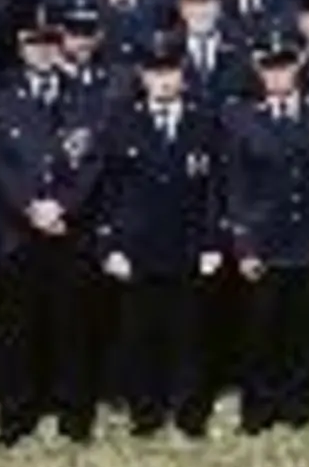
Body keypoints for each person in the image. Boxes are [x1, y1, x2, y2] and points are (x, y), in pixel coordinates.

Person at [81, 30, 227, 438]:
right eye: (155, 72)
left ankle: (188, 412)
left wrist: (214, 241)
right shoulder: (122, 122)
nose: (163, 80)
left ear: (183, 75)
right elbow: (106, 190)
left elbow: (218, 187)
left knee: (191, 334)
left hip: (190, 243)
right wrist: (109, 244)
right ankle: (145, 411)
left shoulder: (204, 121)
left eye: (171, 71)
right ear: (142, 76)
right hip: (137, 247)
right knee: (138, 333)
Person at [0, 0, 97, 447]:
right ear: (20, 44)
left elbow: (92, 161)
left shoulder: (83, 97)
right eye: (35, 41)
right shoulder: (2, 99)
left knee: (72, 325)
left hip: (70, 229)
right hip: (18, 231)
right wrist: (30, 205)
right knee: (16, 328)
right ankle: (16, 413)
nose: (44, 49)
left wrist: (62, 206)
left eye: (52, 41)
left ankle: (74, 413)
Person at [224, 28, 309, 433]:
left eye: (285, 66)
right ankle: (258, 408)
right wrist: (245, 245)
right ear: (258, 70)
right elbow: (234, 185)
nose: (277, 75)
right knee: (260, 328)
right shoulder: (241, 118)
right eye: (269, 67)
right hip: (264, 240)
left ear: (299, 65)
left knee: (305, 328)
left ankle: (299, 405)